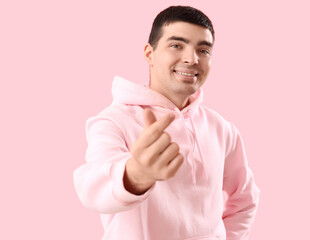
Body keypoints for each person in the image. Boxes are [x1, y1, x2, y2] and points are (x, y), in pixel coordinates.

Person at [73, 5, 260, 240]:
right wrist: (137, 174)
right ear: (149, 53)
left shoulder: (222, 128)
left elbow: (245, 200)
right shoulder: (113, 120)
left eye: (203, 50)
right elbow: (92, 188)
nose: (192, 59)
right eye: (176, 45)